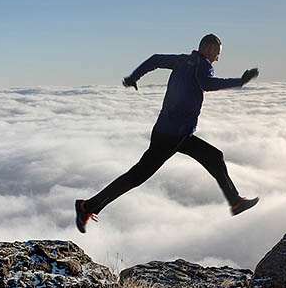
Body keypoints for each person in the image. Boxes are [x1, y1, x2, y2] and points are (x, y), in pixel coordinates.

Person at [75, 33, 260, 233]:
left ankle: (235, 202)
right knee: (137, 176)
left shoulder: (182, 60)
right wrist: (240, 81)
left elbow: (155, 59)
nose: (218, 58)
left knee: (214, 157)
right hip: (175, 135)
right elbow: (208, 84)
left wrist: (134, 76)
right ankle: (87, 207)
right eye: (218, 54)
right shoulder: (202, 65)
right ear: (210, 49)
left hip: (167, 130)